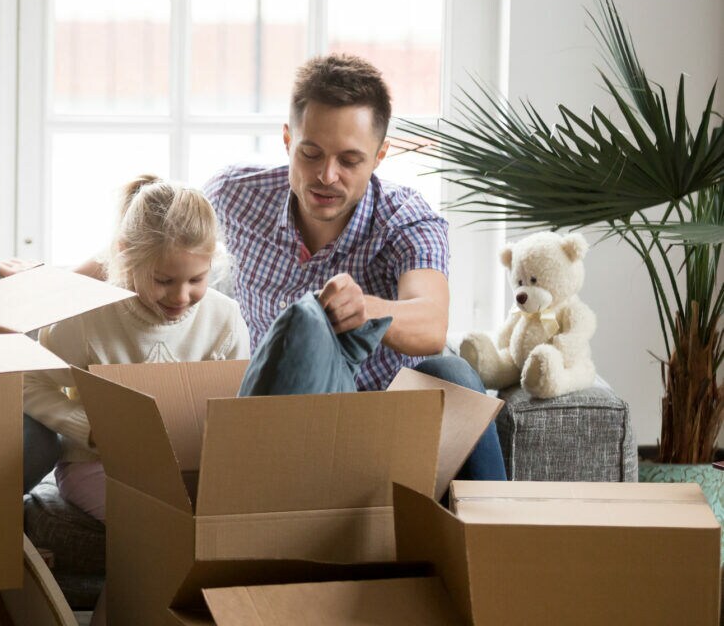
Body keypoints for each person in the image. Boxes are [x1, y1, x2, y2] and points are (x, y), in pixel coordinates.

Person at [204, 53, 506, 480]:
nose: (327, 176)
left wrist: (365, 309)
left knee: (452, 372)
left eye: (349, 161)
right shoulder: (233, 195)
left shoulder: (406, 220)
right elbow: (156, 247)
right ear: (288, 140)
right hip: (277, 425)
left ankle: (491, 521)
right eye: (311, 153)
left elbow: (431, 323)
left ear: (380, 155)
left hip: (381, 437)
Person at [23, 175, 251, 521]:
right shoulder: (88, 319)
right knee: (164, 524)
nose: (181, 296)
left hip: (190, 465)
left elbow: (238, 407)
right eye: (163, 280)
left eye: (196, 279)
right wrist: (88, 427)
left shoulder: (225, 318)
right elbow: (27, 382)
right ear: (125, 256)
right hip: (97, 466)